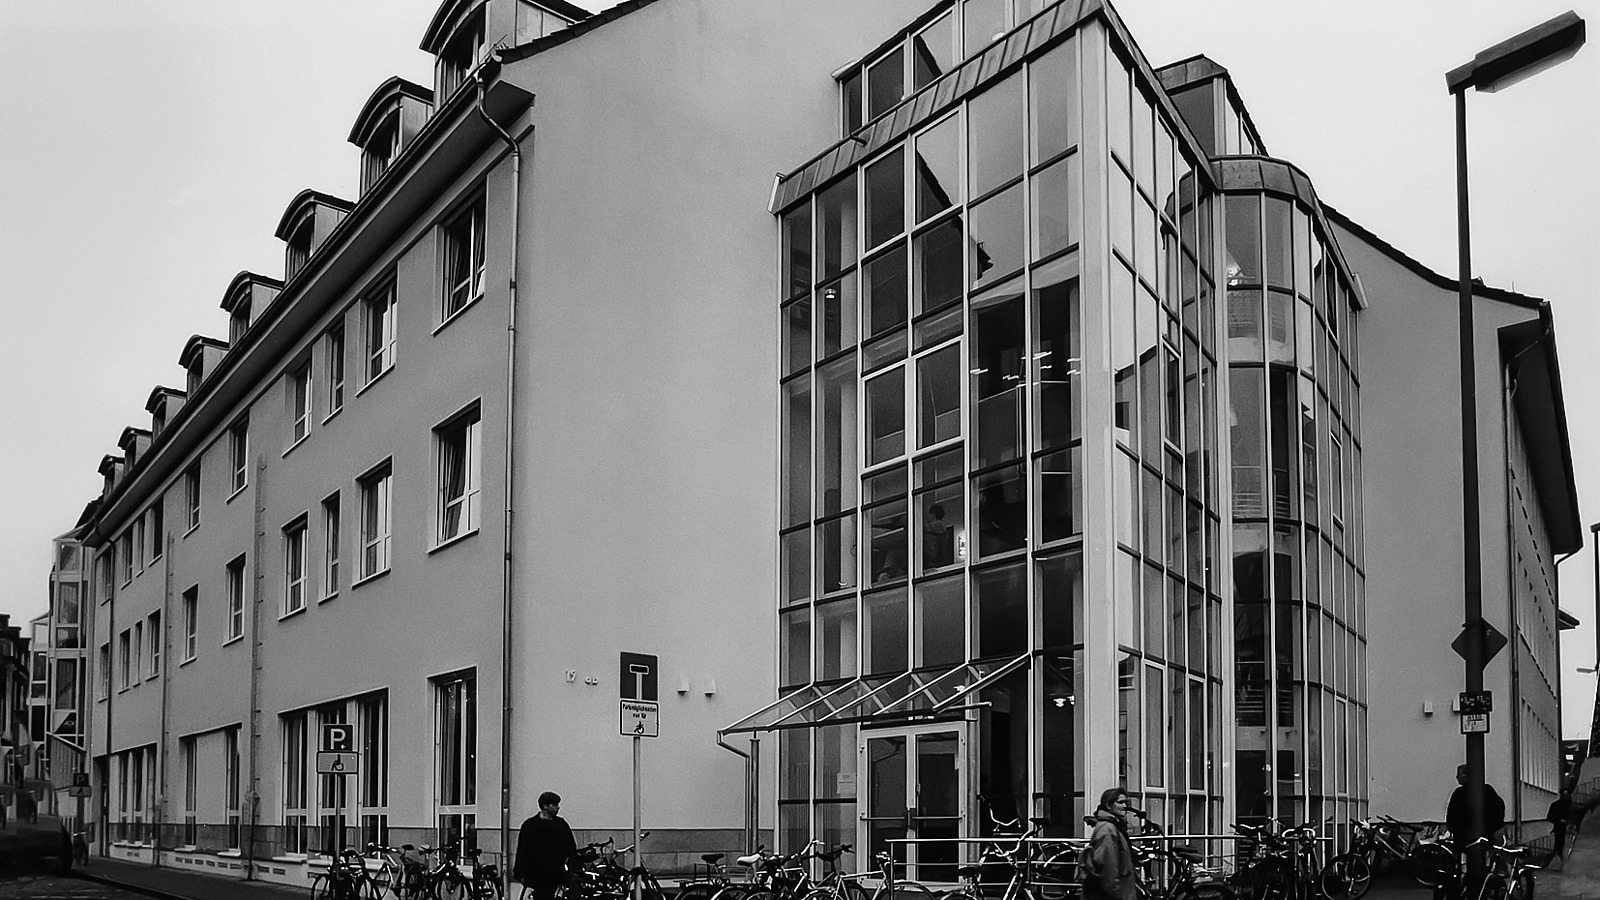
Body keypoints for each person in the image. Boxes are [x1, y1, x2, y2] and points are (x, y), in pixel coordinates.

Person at [514, 791, 579, 900]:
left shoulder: (561, 824)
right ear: (545, 806)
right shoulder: (530, 825)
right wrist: (519, 872)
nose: (558, 808)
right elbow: (522, 850)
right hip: (537, 874)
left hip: (556, 873)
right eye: (554, 805)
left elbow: (571, 847)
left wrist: (572, 867)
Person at [1082, 787, 1137, 900]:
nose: (1124, 806)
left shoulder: (1113, 827)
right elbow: (1108, 867)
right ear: (1108, 805)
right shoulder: (1107, 829)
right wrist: (1115, 894)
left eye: (1125, 803)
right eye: (1120, 802)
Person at [1445, 763, 1506, 844]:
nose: (1456, 777)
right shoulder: (1488, 791)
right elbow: (1499, 808)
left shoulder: (1459, 793)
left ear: (1465, 776)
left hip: (1463, 838)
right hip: (1488, 837)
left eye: (1458, 774)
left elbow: (1452, 817)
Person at [1546, 788, 1574, 868]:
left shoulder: (1571, 806)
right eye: (1564, 795)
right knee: (1559, 846)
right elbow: (1550, 817)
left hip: (1568, 830)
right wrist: (1559, 821)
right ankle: (1560, 863)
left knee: (1564, 847)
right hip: (1559, 829)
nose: (1566, 797)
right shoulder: (1555, 805)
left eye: (1567, 795)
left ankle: (1562, 863)